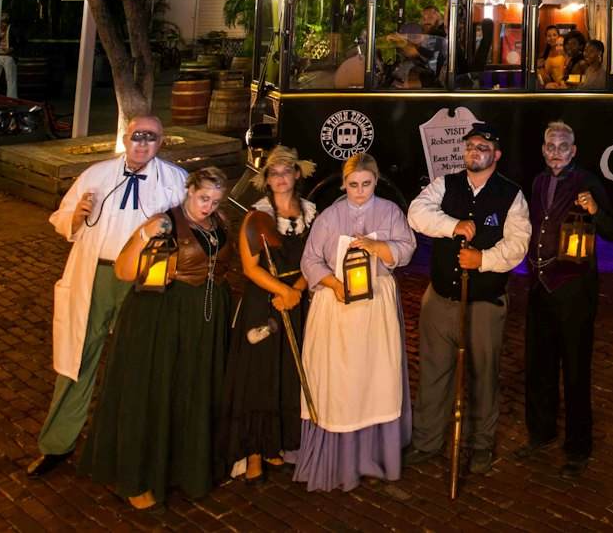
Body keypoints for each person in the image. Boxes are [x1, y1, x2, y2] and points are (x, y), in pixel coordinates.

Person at [26, 115, 187, 479]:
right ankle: (57, 444)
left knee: (137, 362)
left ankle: (129, 444)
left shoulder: (175, 181)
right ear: (125, 138)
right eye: (136, 137)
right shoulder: (96, 175)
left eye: (151, 138)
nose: (143, 144)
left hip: (143, 281)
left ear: (161, 142)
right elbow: (60, 216)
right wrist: (77, 217)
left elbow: (191, 230)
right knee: (78, 358)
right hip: (95, 276)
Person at [78, 167, 233, 510]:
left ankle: (184, 467)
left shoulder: (219, 222)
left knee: (191, 391)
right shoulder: (165, 222)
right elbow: (123, 271)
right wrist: (142, 236)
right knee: (154, 391)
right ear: (189, 191)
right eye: (203, 197)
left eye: (216, 200)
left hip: (204, 320)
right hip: (161, 317)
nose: (208, 205)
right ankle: (138, 477)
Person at [405, 124, 530, 477]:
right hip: (441, 298)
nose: (475, 151)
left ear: (497, 155)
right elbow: (417, 213)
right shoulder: (445, 184)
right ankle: (426, 442)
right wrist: (453, 225)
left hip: (485, 303)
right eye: (471, 145)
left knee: (483, 377)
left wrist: (483, 260)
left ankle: (480, 445)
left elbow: (518, 245)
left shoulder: (511, 195)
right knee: (433, 374)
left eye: (484, 146)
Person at [292, 152, 416, 492]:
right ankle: (338, 453)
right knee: (341, 379)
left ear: (376, 182)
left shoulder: (389, 212)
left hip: (376, 305)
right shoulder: (330, 216)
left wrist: (379, 246)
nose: (359, 191)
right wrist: (334, 285)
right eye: (352, 184)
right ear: (343, 183)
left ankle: (375, 453)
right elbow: (311, 260)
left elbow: (406, 249)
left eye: (366, 184)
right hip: (337, 307)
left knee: (376, 376)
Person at [515, 122, 613, 479]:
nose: (556, 152)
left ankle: (578, 447)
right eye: (550, 146)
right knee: (539, 366)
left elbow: (612, 231)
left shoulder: (587, 182)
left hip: (574, 290)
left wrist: (594, 210)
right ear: (543, 150)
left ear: (573, 151)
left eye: (563, 146)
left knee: (575, 370)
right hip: (540, 287)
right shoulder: (538, 182)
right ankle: (541, 434)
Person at [221, 147, 317, 484]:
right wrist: (283, 292)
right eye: (273, 173)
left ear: (296, 175)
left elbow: (314, 258)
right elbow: (250, 267)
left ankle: (276, 445)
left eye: (285, 172)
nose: (280, 178)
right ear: (266, 180)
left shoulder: (310, 213)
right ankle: (254, 453)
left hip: (296, 300)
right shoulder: (256, 217)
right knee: (260, 375)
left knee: (287, 372)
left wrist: (300, 289)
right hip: (266, 302)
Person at [389, 6, 447, 88]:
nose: (426, 21)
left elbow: (412, 52)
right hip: (435, 74)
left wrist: (399, 40)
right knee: (410, 75)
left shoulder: (439, 33)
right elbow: (421, 50)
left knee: (403, 85)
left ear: (439, 18)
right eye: (423, 18)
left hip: (441, 80)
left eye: (430, 17)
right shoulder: (433, 34)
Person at [0, 12, 20, 97]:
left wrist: (12, 48)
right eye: (3, 15)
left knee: (10, 80)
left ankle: (11, 99)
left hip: (8, 56)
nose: (5, 17)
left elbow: (20, 41)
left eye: (7, 15)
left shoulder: (13, 29)